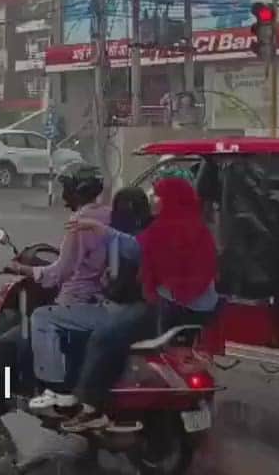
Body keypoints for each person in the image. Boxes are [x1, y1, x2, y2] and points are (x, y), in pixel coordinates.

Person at [0, 162, 111, 451]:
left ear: (79, 190)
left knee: (5, 346)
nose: (63, 194)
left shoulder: (79, 224)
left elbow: (57, 273)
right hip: (102, 306)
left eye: (67, 187)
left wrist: (22, 269)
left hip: (73, 307)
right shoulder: (108, 216)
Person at [61, 177, 219, 432]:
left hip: (170, 310)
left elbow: (136, 249)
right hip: (196, 313)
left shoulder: (168, 229)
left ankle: (91, 407)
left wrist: (100, 230)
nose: (155, 201)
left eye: (160, 197)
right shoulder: (198, 230)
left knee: (104, 336)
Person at [25, 186, 154, 413]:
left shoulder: (105, 232)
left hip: (111, 308)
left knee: (41, 318)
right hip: (146, 312)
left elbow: (62, 272)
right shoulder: (151, 233)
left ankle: (56, 390)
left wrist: (26, 270)